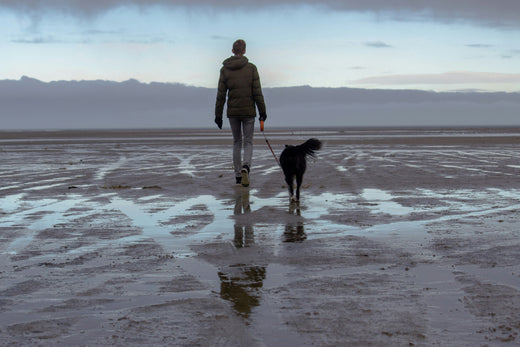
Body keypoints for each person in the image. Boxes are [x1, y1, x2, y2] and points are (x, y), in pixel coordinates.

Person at [215, 39, 267, 187]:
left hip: (233, 112)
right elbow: (257, 92)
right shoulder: (251, 68)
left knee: (237, 142)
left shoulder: (225, 70)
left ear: (232, 51)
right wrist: (262, 111)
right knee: (248, 141)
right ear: (244, 51)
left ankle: (238, 175)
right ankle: (246, 167)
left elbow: (221, 95)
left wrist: (218, 115)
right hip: (249, 111)